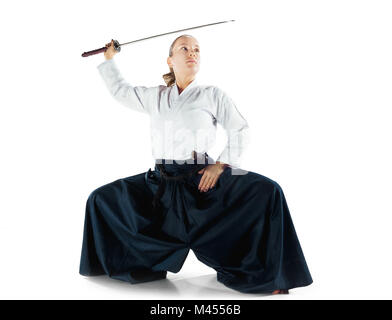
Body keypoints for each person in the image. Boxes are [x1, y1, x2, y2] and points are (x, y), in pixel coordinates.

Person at [79, 35, 313, 295]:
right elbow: (121, 91)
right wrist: (109, 59)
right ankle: (108, 264)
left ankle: (270, 275)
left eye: (197, 50)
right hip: (161, 183)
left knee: (269, 191)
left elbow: (240, 129)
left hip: (201, 180)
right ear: (170, 61)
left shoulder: (211, 95)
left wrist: (221, 165)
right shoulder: (156, 96)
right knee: (100, 199)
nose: (192, 53)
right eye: (184, 48)